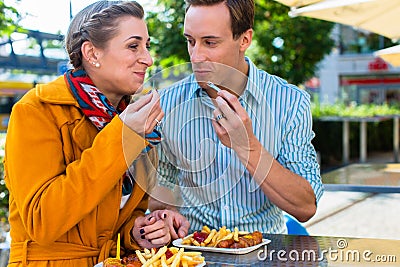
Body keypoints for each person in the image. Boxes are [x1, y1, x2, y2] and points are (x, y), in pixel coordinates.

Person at [4, 1, 187, 266]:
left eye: (147, 46)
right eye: (133, 46)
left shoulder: (137, 124)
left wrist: (141, 232)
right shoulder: (37, 110)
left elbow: (114, 227)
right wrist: (122, 136)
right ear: (92, 53)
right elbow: (42, 221)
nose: (148, 59)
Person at [149, 0, 324, 234]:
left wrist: (248, 147)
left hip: (266, 253)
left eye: (210, 42)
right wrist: (164, 215)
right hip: (194, 254)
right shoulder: (167, 104)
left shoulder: (290, 102)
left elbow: (305, 207)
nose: (196, 56)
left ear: (245, 39)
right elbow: (160, 194)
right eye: (190, 41)